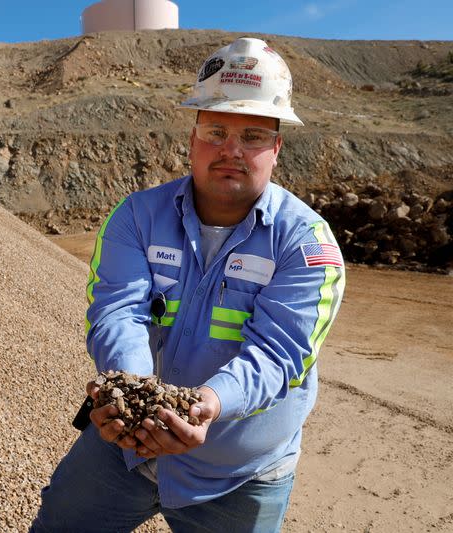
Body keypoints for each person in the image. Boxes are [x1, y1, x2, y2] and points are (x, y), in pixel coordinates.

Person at [31, 37, 345, 532]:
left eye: (254, 135)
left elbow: (281, 352)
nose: (231, 150)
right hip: (124, 453)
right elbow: (117, 310)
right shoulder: (137, 217)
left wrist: (208, 405)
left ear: (277, 147)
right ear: (193, 136)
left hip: (240, 476)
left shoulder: (308, 243)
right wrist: (136, 399)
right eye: (216, 129)